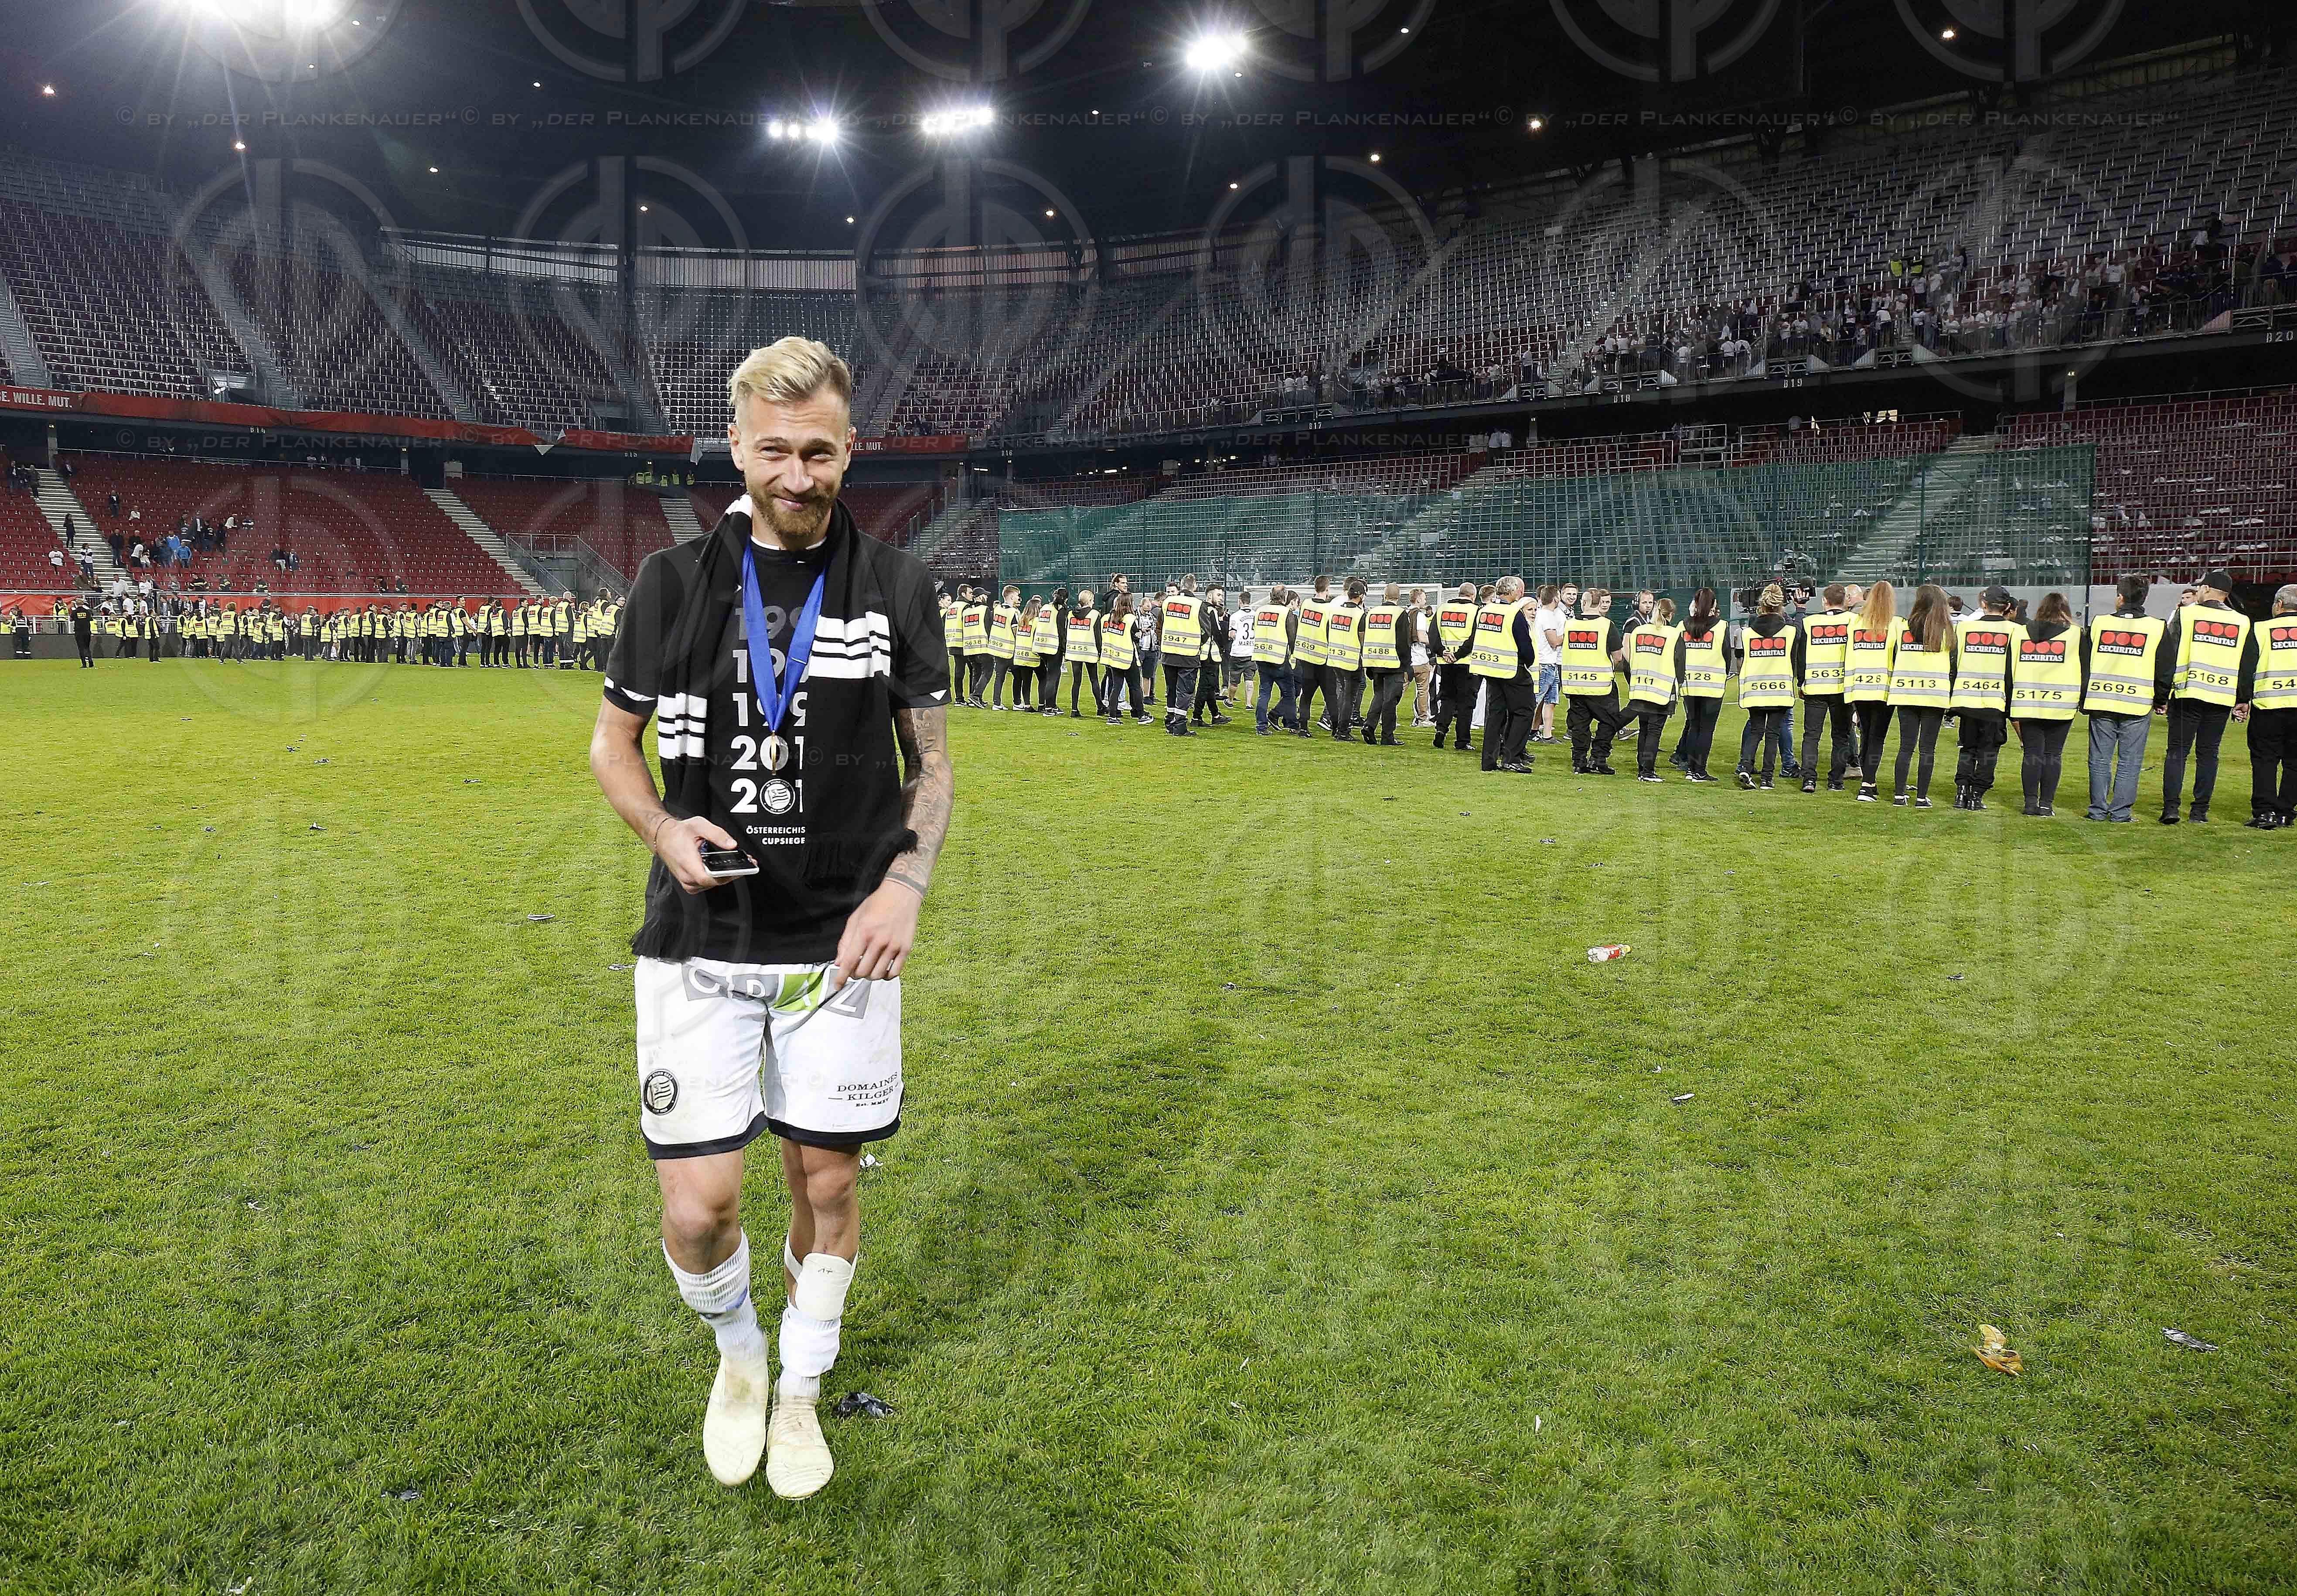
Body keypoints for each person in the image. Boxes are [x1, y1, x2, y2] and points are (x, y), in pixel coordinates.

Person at [589, 337, 953, 1502]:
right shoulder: (671, 584)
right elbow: (610, 746)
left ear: (850, 449)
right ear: (736, 450)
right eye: (772, 450)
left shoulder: (897, 586)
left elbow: (932, 766)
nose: (796, 474)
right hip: (700, 946)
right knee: (697, 1207)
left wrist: (904, 882)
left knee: (828, 1189)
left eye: (818, 450)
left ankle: (799, 1385)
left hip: (842, 942)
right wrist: (658, 830)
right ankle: (738, 1353)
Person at [2160, 568, 2256, 825]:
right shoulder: (2243, 621)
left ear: (2206, 590)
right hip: (2221, 697)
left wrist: (2162, 694)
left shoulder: (2186, 614)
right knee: (2209, 754)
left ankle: (2171, 809)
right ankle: (2199, 812)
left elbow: (2169, 653)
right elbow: (2247, 665)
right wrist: (2243, 698)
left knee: (2177, 752)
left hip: (2187, 693)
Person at [1946, 585, 2024, 812]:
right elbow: (2014, 669)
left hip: (1967, 698)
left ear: (1983, 604)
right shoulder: (2015, 631)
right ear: (2008, 607)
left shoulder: (1965, 628)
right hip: (1995, 701)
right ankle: (1977, 795)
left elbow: (1956, 663)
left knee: (1968, 748)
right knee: (1989, 751)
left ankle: (1962, 792)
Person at [2009, 591, 2082, 815]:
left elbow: (2008, 669)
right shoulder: (2076, 634)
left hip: (2026, 701)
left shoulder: (2020, 633)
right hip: (2061, 703)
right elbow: (2085, 668)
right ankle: (2046, 805)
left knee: (2032, 753)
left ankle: (2030, 803)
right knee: (2053, 755)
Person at [1887, 583, 1954, 807]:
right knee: (1928, 748)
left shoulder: (1903, 628)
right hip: (1934, 694)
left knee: (1906, 746)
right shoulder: (1947, 632)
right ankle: (1922, 797)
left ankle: (1898, 795)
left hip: (1905, 691)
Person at [1793, 583, 1857, 792]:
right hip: (1842, 688)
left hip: (1815, 686)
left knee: (1811, 735)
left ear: (1824, 601)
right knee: (1841, 736)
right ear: (1847, 601)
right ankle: (1836, 780)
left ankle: (1809, 779)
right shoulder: (1854, 621)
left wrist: (1801, 681)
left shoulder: (1811, 622)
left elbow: (1801, 655)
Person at [1844, 581, 1903, 803]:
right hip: (1883, 688)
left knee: (1868, 733)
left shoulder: (1855, 623)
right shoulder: (1896, 625)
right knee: (1876, 737)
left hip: (1859, 686)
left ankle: (1870, 781)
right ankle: (1867, 784)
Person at [1471, 576, 1537, 773]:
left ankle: (1489, 761)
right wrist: (1529, 661)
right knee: (1525, 711)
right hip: (1511, 669)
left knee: (1495, 715)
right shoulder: (1513, 613)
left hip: (1489, 668)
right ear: (1513, 591)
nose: (1522, 594)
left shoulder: (1484, 611)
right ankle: (1512, 758)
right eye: (1520, 590)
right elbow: (1524, 645)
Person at [1734, 583, 1796, 789]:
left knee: (1756, 731)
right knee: (1773, 734)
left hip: (1755, 689)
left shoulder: (1747, 633)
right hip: (1779, 690)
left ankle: (1745, 766)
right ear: (1781, 606)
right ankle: (1767, 779)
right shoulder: (1790, 632)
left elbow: (1742, 661)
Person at [2246, 584, 2297, 828]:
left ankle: (2264, 813)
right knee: (2294, 762)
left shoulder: (2260, 629)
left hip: (2269, 704)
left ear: (2279, 605)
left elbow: (2248, 668)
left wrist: (2242, 700)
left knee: (2265, 760)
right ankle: (2286, 812)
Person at [1561, 587, 1627, 774]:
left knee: (1580, 724)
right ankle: (1598, 758)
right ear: (1600, 604)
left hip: (1574, 684)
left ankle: (1579, 761)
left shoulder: (1570, 624)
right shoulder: (1606, 625)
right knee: (1610, 721)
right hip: (1601, 686)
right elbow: (1618, 656)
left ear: (1583, 603)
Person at [1624, 598, 1686, 781]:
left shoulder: (1638, 631)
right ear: (1671, 615)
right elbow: (1680, 664)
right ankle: (1647, 771)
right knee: (1654, 731)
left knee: (1644, 729)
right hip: (1662, 690)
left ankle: (1641, 767)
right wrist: (1678, 685)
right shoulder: (1674, 634)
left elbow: (1631, 656)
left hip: (1640, 687)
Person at [1675, 590, 1727, 781]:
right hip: (1712, 684)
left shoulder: (1682, 626)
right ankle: (1699, 770)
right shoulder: (1722, 626)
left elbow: (1677, 654)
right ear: (1713, 606)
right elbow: (1726, 656)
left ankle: (1690, 769)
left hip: (1689, 683)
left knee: (1694, 726)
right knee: (1706, 729)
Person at [1357, 583, 1409, 745]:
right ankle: (1387, 736)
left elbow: (1364, 635)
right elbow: (1403, 642)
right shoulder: (1400, 614)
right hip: (1393, 663)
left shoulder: (1371, 613)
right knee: (1390, 700)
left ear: (1384, 596)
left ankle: (1369, 725)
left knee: (1379, 696)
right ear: (1399, 597)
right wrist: (1407, 665)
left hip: (1374, 661)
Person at [1431, 583, 1480, 751]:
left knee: (1447, 698)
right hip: (1466, 663)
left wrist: (1443, 652)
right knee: (1466, 702)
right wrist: (1458, 655)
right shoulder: (1476, 611)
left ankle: (1441, 730)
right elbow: (1475, 638)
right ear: (1473, 596)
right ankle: (1462, 740)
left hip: (1445, 663)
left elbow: (1433, 635)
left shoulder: (1442, 609)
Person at [1158, 576, 1205, 737]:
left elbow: (1161, 625)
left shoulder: (1167, 603)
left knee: (1171, 690)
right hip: (1188, 655)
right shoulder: (1199, 605)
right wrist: (1196, 643)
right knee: (1184, 692)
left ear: (1181, 587)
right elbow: (1207, 631)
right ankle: (1179, 725)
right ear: (1195, 587)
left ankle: (1170, 720)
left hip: (1168, 652)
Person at [1322, 578, 1367, 740]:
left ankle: (1336, 725)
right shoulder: (1360, 614)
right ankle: (1343, 730)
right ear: (1361, 596)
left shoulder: (1335, 611)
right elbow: (1363, 639)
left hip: (1334, 657)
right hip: (1351, 660)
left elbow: (1328, 632)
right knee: (1349, 698)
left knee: (1340, 693)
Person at [1251, 586, 1299, 735]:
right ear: (1284, 598)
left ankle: (1261, 726)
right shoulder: (1286, 613)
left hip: (1261, 656)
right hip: (1279, 658)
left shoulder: (1259, 611)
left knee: (1264, 693)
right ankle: (1292, 724)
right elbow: (1292, 636)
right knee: (1289, 693)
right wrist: (1294, 655)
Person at [1293, 577, 1336, 735]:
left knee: (1307, 695)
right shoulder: (1330, 609)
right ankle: (1337, 729)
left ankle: (1303, 727)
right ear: (1327, 589)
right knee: (1331, 695)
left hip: (1305, 655)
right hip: (1322, 657)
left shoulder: (1306, 604)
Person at [1531, 582, 1568, 744]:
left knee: (1551, 701)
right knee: (1536, 701)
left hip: (1550, 663)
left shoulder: (1547, 614)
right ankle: (1524, 732)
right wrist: (1568, 635)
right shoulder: (1547, 616)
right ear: (1556, 598)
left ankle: (1547, 735)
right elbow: (1554, 641)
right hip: (1545, 663)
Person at [1100, 593, 1145, 723]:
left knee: (1116, 686)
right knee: (1135, 686)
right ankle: (1141, 715)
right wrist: (1140, 634)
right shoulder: (1130, 619)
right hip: (1127, 657)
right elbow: (1136, 636)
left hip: (1112, 656)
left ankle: (1112, 716)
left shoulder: (1107, 618)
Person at [1063, 587, 1100, 717]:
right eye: (1093, 600)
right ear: (1090, 601)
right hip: (1089, 651)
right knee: (1094, 680)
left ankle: (1074, 709)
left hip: (1074, 651)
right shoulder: (1095, 614)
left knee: (1077, 681)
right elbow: (1098, 636)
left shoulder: (1070, 614)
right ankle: (1100, 707)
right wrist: (1100, 651)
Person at [985, 585, 1021, 709]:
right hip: (1010, 649)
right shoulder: (1013, 612)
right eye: (1017, 596)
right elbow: (1016, 631)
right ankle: (1017, 703)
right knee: (1018, 677)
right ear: (1012, 597)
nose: (1019, 598)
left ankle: (997, 703)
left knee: (999, 677)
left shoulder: (997, 609)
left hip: (996, 648)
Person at [1035, 586, 1067, 714]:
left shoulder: (1045, 608)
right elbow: (1061, 631)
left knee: (1052, 676)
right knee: (1053, 678)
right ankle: (1049, 707)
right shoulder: (1060, 610)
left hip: (1041, 645)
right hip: (1053, 646)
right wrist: (1064, 649)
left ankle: (1050, 705)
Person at [1009, 595, 1041, 710]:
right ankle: (1042, 705)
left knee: (1026, 681)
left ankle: (1027, 705)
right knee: (1043, 679)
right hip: (1033, 655)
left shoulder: (1022, 620)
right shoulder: (1037, 621)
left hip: (1020, 655)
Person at [942, 590, 966, 704]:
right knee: (972, 671)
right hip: (963, 643)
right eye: (948, 600)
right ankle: (969, 697)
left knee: (958, 670)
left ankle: (959, 698)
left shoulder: (951, 609)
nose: (949, 602)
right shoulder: (964, 607)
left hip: (952, 642)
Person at [70, 596, 93, 668]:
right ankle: (90, 661)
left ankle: (84, 664)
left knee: (81, 648)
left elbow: (71, 619)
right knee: (87, 647)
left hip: (79, 632)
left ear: (76, 604)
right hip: (87, 631)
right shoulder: (87, 611)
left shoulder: (75, 612)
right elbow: (91, 618)